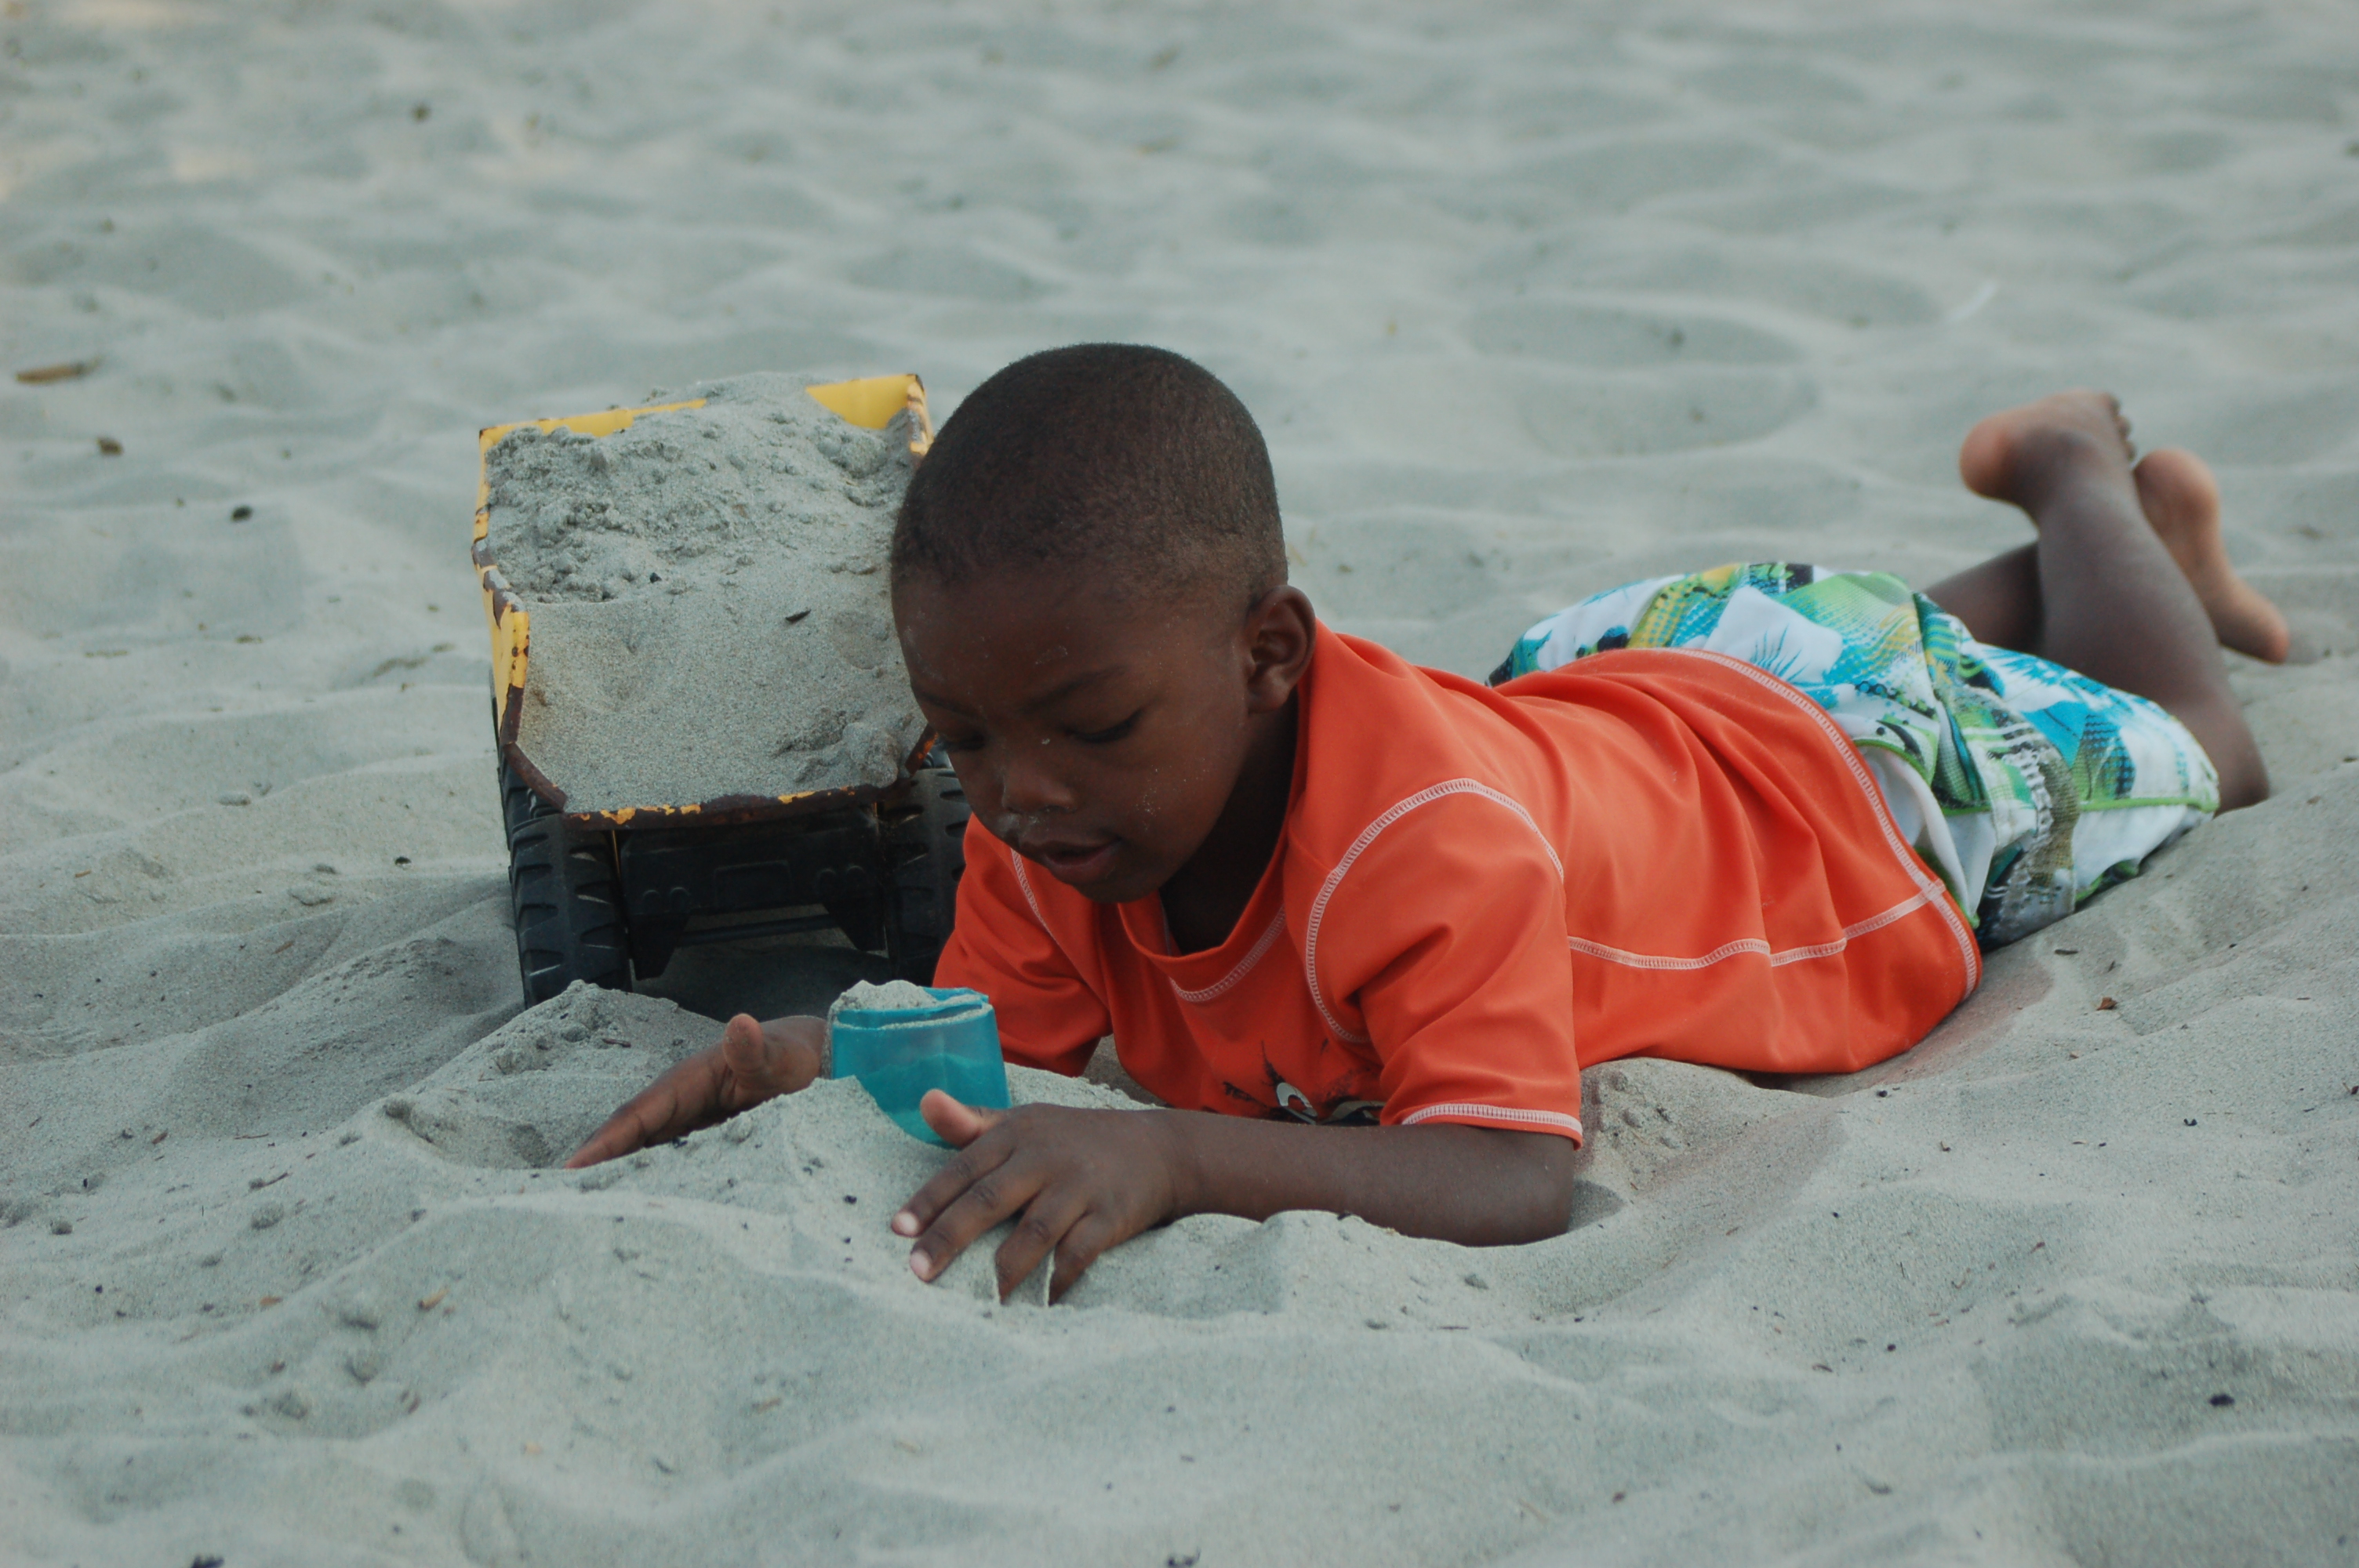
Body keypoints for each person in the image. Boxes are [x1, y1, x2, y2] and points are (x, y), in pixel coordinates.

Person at [566, 345, 2284, 1301]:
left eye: (1090, 726)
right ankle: (2031, 584)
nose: (1019, 792)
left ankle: (2082, 477)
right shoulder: (1056, 827)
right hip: (1617, 692)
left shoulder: (1419, 849)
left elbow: (1509, 1173)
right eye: (965, 739)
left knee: (2204, 750)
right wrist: (817, 1057)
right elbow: (997, 1065)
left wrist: (1173, 1155)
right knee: (1882, 652)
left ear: (1271, 656)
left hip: (1834, 810)